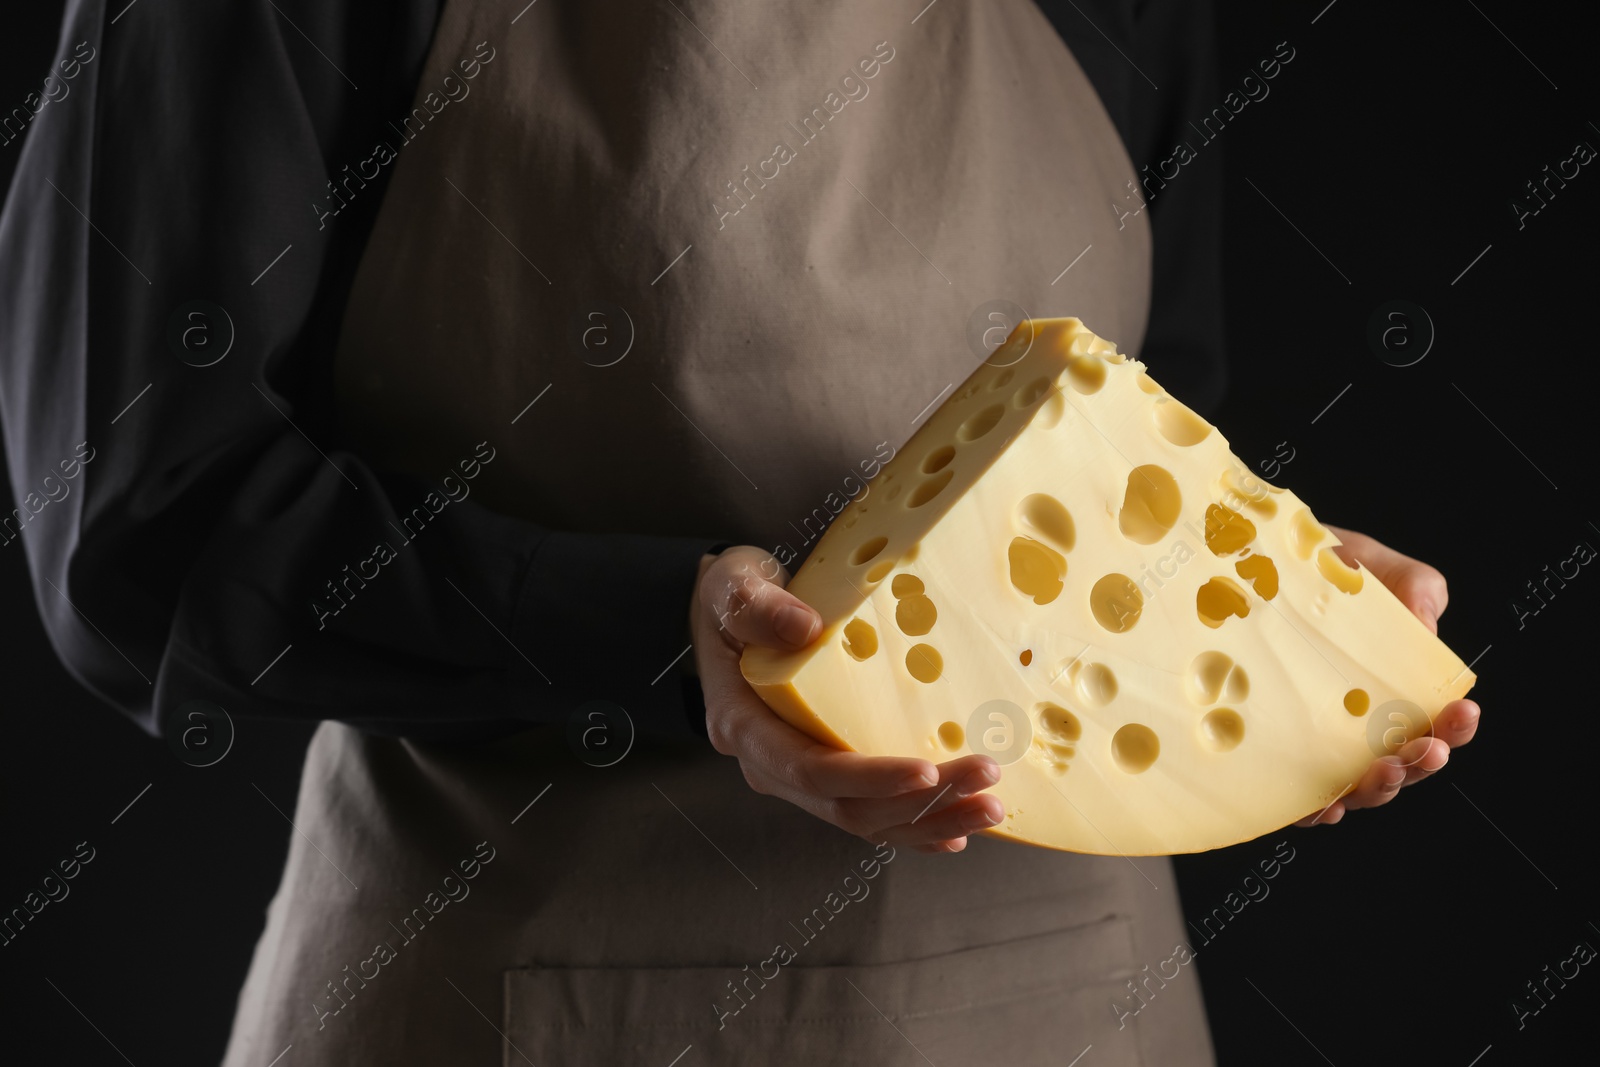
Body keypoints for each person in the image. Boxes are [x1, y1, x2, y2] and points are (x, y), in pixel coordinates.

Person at [0, 1, 1479, 1063]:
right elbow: (140, 524)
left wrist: (1261, 602)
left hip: (1070, 1008)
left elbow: (1142, 440)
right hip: (521, 999)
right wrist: (670, 635)